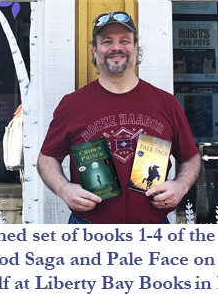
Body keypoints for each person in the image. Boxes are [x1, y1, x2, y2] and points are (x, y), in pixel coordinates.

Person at [37, 11, 200, 224]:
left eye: (124, 41)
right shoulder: (72, 104)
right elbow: (46, 158)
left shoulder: (166, 103)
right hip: (88, 227)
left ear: (135, 48)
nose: (116, 47)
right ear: (95, 51)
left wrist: (180, 186)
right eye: (107, 41)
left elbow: (190, 157)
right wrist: (64, 188)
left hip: (153, 228)